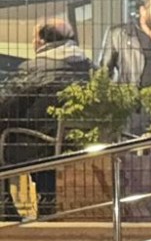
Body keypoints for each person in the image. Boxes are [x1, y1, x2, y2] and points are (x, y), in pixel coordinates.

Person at [0, 19, 93, 219]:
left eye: (34, 37)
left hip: (35, 144)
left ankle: (7, 212)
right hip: (76, 144)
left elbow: (6, 101)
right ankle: (46, 208)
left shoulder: (35, 68)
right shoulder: (89, 68)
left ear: (41, 41)